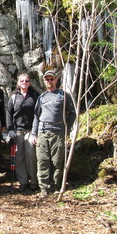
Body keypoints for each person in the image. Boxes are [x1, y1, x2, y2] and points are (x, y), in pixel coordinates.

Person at [31, 70, 76, 199]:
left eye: (51, 79)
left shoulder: (63, 95)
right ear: (44, 81)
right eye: (47, 79)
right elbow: (36, 116)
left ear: (56, 80)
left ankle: (56, 186)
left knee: (57, 161)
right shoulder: (42, 97)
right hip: (43, 132)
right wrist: (34, 134)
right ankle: (44, 188)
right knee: (42, 161)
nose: (49, 81)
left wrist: (66, 129)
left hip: (58, 132)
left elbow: (72, 114)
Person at [6, 73, 40, 191]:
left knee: (31, 155)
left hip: (31, 130)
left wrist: (36, 132)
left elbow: (38, 114)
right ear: (18, 83)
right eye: (22, 81)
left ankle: (34, 181)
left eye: (26, 81)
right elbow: (9, 114)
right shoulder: (14, 97)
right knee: (19, 156)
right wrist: (10, 129)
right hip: (17, 131)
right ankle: (23, 181)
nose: (24, 83)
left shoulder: (35, 96)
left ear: (30, 82)